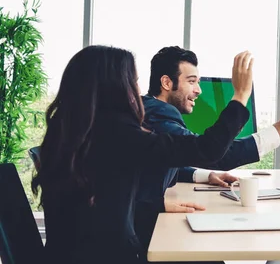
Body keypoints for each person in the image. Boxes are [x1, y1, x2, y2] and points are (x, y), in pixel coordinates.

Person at [32, 45, 254, 264]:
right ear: (115, 88)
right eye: (133, 82)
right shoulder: (119, 133)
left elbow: (97, 207)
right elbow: (207, 149)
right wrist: (240, 96)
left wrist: (156, 206)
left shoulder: (72, 132)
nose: (137, 91)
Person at [135, 46, 280, 260]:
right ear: (167, 83)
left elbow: (165, 158)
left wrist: (204, 175)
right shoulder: (159, 114)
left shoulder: (149, 110)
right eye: (191, 81)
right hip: (143, 235)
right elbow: (214, 152)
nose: (198, 89)